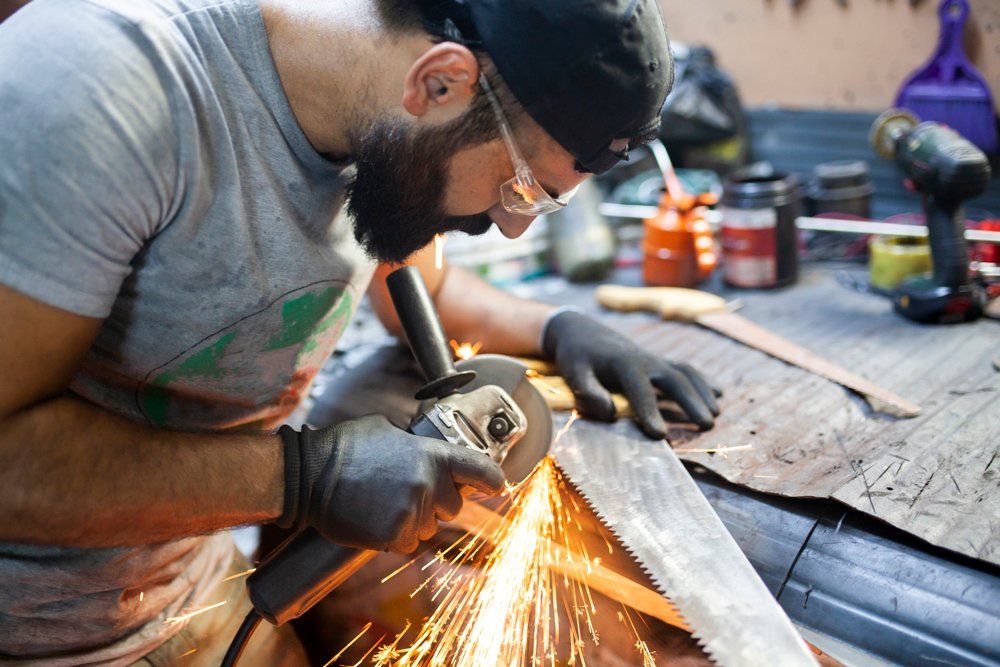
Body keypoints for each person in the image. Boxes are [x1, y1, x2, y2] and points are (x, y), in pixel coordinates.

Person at [0, 0, 720, 662]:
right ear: (440, 83)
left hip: (198, 596)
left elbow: (420, 286)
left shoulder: (380, 126)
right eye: (522, 184)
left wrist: (559, 328)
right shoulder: (102, 91)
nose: (512, 224)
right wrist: (304, 478)